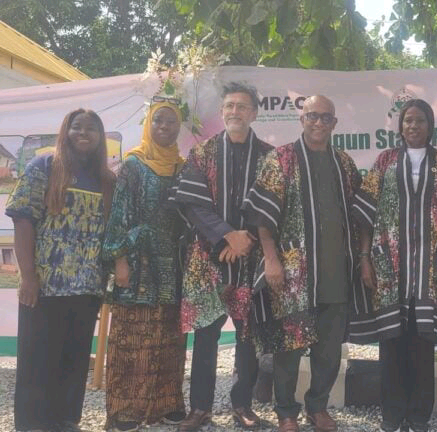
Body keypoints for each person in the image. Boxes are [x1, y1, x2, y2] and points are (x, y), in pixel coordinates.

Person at [242, 95, 362, 432]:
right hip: (292, 275)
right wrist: (271, 259)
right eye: (312, 116)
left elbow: (357, 213)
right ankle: (286, 412)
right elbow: (262, 216)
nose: (319, 122)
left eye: (325, 117)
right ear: (302, 119)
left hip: (335, 274)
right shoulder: (280, 159)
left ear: (334, 123)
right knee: (288, 348)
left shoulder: (344, 163)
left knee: (329, 351)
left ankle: (317, 407)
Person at [350, 98, 437, 432]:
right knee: (391, 343)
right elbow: (366, 216)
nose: (413, 126)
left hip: (432, 270)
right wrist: (364, 259)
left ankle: (418, 417)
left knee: (422, 346)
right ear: (400, 127)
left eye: (420, 120)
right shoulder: (385, 161)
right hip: (389, 269)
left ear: (430, 126)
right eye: (408, 121)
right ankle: (392, 415)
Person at [168, 82, 273, 431]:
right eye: (229, 106)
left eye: (242, 106)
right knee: (205, 335)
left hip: (251, 261)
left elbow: (274, 208)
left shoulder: (270, 157)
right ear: (222, 111)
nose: (234, 112)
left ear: (254, 113)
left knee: (248, 336)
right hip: (208, 260)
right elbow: (193, 206)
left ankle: (242, 404)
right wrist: (227, 236)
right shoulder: (203, 153)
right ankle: (200, 408)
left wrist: (246, 240)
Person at [9, 109, 116, 432]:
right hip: (45, 284)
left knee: (75, 355)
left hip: (87, 286)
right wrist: (28, 276)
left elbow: (111, 232)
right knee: (38, 355)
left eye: (91, 128)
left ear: (100, 137)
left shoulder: (106, 180)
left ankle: (66, 419)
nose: (83, 133)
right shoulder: (43, 166)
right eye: (76, 127)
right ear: (65, 131)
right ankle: (33, 423)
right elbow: (23, 220)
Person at [102, 98, 187, 431]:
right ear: (149, 124)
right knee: (132, 335)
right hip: (138, 260)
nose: (163, 126)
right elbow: (119, 215)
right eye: (158, 120)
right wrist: (120, 260)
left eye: (171, 121)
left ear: (179, 127)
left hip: (172, 265)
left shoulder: (182, 167)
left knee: (168, 335)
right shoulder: (133, 165)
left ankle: (167, 404)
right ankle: (126, 410)